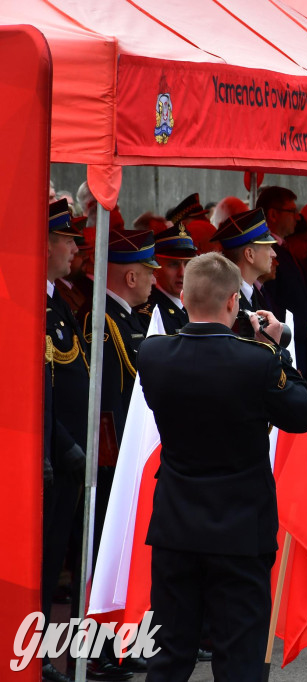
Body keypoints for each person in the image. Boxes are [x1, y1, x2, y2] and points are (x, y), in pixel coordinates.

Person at [139, 253, 307, 681]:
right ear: (234, 303)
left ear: (182, 297)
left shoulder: (153, 353)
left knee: (168, 655)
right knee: (239, 657)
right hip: (240, 528)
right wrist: (278, 351)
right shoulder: (257, 361)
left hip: (176, 524)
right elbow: (304, 415)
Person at [78, 227, 159, 680]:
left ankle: (119, 641)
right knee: (103, 554)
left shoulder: (125, 319)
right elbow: (107, 400)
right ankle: (97, 648)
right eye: (147, 271)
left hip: (128, 456)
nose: (154, 278)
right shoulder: (104, 322)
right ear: (130, 277)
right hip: (112, 459)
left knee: (122, 551)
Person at [43, 200, 89, 682]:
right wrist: (58, 445)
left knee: (57, 556)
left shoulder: (58, 301)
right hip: (50, 457)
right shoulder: (29, 301)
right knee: (38, 562)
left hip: (71, 456)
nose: (75, 248)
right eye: (67, 239)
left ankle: (41, 651)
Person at [257, 186, 307, 375]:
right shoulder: (268, 254)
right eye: (292, 211)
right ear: (273, 214)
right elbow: (271, 301)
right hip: (283, 343)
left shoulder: (282, 248)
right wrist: (304, 327)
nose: (298, 217)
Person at [210, 208, 277, 339]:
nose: (274, 254)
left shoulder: (255, 294)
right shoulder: (226, 301)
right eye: (268, 247)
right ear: (249, 254)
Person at [137, 224, 198, 334]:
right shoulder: (149, 314)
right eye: (174, 264)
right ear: (155, 268)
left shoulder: (197, 305)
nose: (182, 273)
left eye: (188, 264)